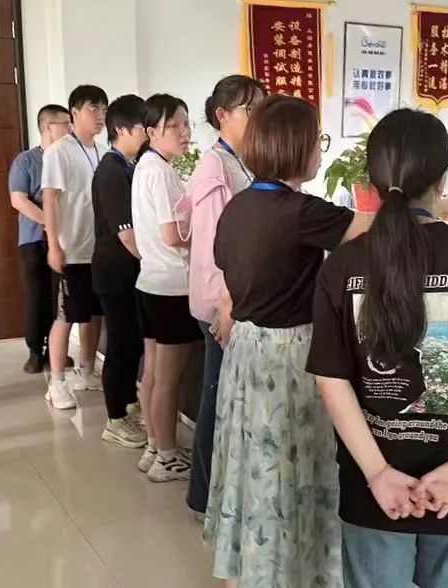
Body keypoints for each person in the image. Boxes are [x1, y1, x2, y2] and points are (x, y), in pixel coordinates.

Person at [306, 109, 448, 588]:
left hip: (375, 491)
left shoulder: (341, 267)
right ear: (442, 178)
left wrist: (378, 473)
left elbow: (332, 379)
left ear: (371, 180)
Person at [204, 94, 375, 587]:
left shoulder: (238, 207)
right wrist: (433, 205)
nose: (320, 149)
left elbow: (230, 278)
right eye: (317, 139)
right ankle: (286, 571)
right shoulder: (299, 210)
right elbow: (371, 228)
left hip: (245, 352)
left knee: (252, 466)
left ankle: (247, 569)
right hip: (288, 356)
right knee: (287, 464)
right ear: (296, 147)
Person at [183, 75, 265, 516]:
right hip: (222, 305)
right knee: (216, 400)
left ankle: (217, 493)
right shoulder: (215, 168)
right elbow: (221, 248)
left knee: (226, 399)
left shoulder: (240, 162)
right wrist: (226, 308)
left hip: (235, 301)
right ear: (222, 115)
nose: (260, 117)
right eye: (252, 109)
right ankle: (204, 496)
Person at [130, 93, 201, 482]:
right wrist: (205, 232)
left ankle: (156, 446)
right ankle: (167, 458)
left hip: (151, 281)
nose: (184, 132)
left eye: (186, 124)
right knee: (168, 379)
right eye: (173, 125)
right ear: (151, 132)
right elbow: (173, 235)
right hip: (172, 287)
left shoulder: (148, 166)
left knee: (155, 373)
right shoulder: (159, 171)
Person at [42, 85, 109, 409]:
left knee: (94, 314)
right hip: (70, 248)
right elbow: (50, 200)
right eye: (92, 109)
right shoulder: (59, 151)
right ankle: (56, 383)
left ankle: (87, 370)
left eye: (103, 109)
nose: (100, 116)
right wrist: (53, 245)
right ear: (74, 113)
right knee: (65, 315)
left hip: (98, 248)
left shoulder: (103, 151)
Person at [91, 94, 149, 447]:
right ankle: (115, 419)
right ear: (122, 129)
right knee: (121, 345)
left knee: (132, 343)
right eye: (145, 127)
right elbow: (126, 234)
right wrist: (154, 261)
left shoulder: (129, 165)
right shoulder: (112, 171)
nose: (149, 134)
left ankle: (128, 404)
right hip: (116, 271)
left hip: (129, 271)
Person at [10, 104, 75, 374]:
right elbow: (19, 200)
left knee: (59, 297)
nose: (70, 128)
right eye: (65, 123)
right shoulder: (26, 160)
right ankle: (35, 350)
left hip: (64, 240)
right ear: (48, 127)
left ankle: (55, 351)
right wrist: (49, 222)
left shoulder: (68, 158)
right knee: (37, 296)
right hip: (34, 240)